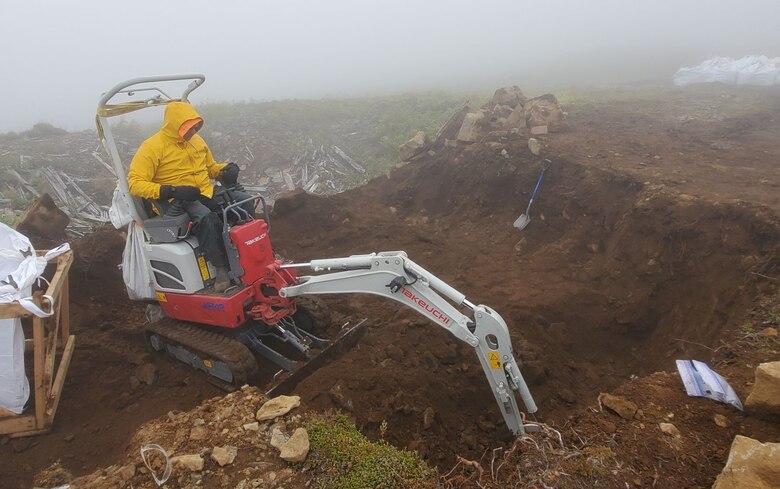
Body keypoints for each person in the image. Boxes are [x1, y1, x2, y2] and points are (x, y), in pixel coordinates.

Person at [128, 101, 255, 292]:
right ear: (175, 124)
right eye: (189, 127)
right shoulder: (152, 147)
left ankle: (250, 253)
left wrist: (225, 169)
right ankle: (221, 267)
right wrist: (171, 191)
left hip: (204, 191)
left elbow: (210, 168)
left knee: (244, 202)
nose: (194, 130)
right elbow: (135, 183)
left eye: (196, 125)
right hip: (175, 200)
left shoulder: (197, 141)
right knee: (205, 217)